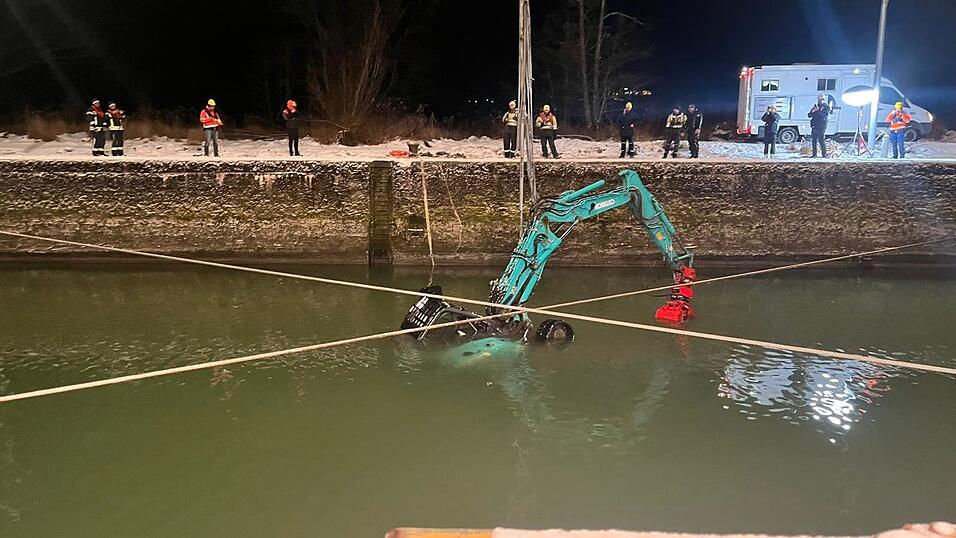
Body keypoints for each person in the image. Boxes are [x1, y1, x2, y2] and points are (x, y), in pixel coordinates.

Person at [807, 93, 830, 158]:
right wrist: (813, 111)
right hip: (814, 126)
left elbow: (824, 116)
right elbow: (809, 115)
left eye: (821, 99)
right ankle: (814, 154)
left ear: (823, 100)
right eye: (819, 100)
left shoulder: (826, 107)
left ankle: (824, 154)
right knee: (814, 141)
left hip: (822, 126)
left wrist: (818, 111)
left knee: (821, 140)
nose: (819, 101)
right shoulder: (815, 106)